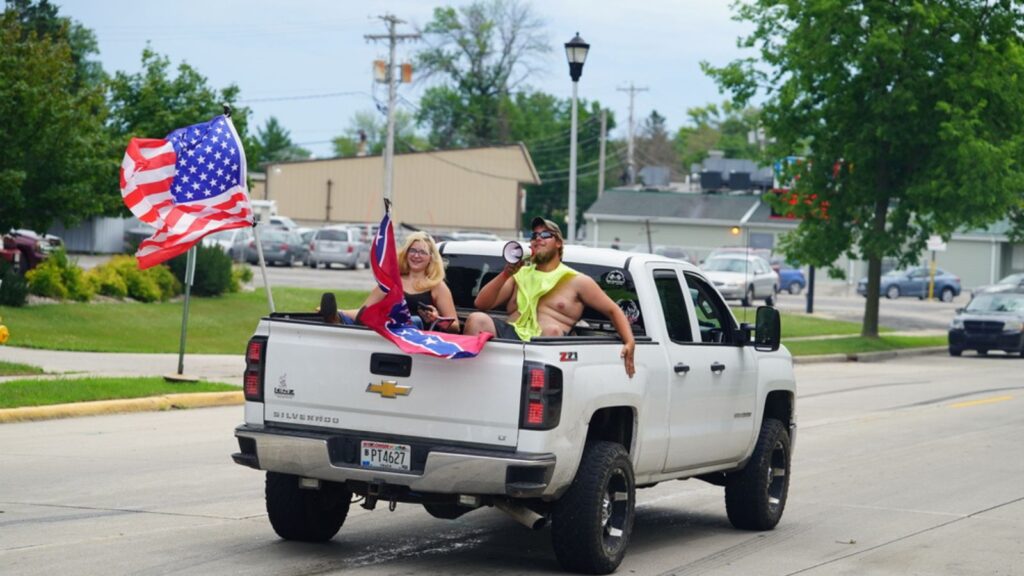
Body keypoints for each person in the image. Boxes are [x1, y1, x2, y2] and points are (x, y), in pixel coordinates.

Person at [464, 217, 635, 377]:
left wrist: (629, 342)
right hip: (511, 341)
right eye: (534, 235)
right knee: (476, 319)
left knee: (551, 330)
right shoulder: (519, 274)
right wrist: (506, 273)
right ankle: (470, 378)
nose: (538, 238)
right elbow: (481, 303)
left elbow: (613, 310)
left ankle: (535, 391)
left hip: (548, 350)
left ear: (559, 243)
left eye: (545, 234)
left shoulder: (577, 280)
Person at [338, 231, 460, 333]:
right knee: (363, 317)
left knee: (414, 320)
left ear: (431, 258)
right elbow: (364, 312)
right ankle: (335, 317)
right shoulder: (391, 282)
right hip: (386, 332)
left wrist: (436, 318)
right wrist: (341, 312)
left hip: (416, 336)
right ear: (406, 254)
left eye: (422, 252)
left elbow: (455, 327)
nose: (416, 256)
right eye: (412, 251)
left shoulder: (437, 287)